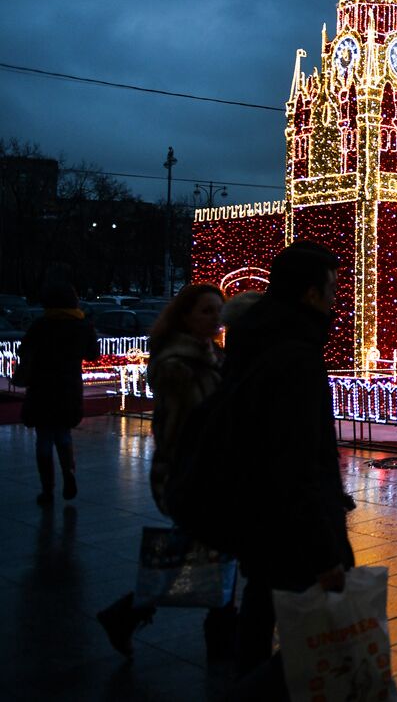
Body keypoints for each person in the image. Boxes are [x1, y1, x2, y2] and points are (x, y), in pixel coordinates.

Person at [224, 242, 355, 682]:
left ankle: (247, 683)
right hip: (291, 523)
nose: (337, 298)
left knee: (261, 609)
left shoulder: (253, 337)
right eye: (332, 289)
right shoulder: (296, 354)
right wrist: (325, 551)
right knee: (318, 637)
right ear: (309, 294)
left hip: (255, 510)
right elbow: (297, 460)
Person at [98, 284, 237, 658]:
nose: (215, 318)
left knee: (201, 552)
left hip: (214, 474)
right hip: (194, 475)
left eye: (217, 311)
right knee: (206, 551)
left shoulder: (214, 357)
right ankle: (217, 634)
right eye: (206, 311)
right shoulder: (177, 366)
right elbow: (178, 432)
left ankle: (130, 614)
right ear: (185, 316)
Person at [15, 282, 99, 505]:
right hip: (69, 388)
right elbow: (93, 355)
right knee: (63, 433)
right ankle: (69, 471)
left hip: (42, 388)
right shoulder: (82, 326)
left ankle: (47, 489)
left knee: (43, 438)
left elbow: (23, 349)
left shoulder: (41, 325)